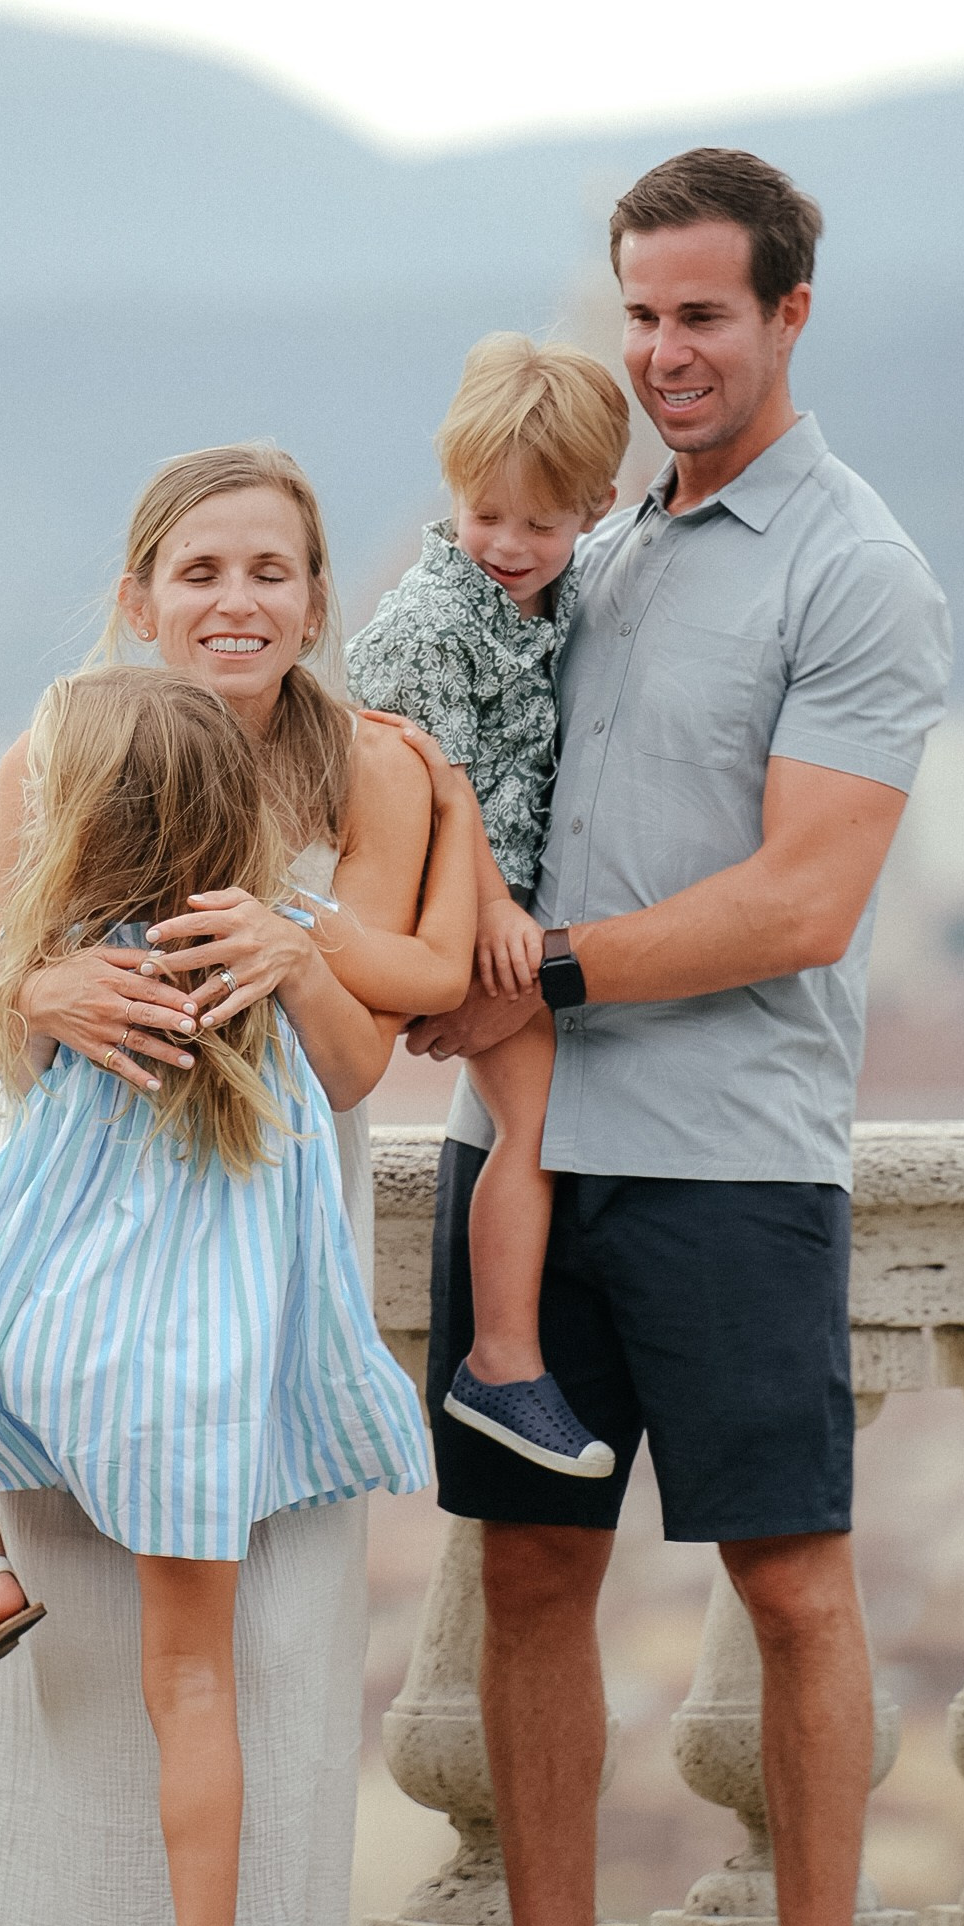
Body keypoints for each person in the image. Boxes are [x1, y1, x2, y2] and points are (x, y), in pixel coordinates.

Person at [393, 148, 951, 1926]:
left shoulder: (856, 569)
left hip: (730, 1162)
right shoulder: (588, 540)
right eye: (639, 313)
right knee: (527, 1576)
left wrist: (541, 966)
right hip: (529, 1155)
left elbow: (805, 899)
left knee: (792, 1589)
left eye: (701, 314)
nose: (662, 352)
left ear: (790, 310)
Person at [0, 445, 476, 1926]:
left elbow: (363, 1062)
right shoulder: (57, 748)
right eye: (201, 570)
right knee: (100, 1642)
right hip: (77, 1240)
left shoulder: (365, 768)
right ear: (140, 595)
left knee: (266, 1644)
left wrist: (296, 951)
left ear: (316, 601)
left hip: (266, 1258)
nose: (236, 601)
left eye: (270, 570)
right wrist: (44, 990)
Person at [347, 332, 630, 1476]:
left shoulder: (541, 601)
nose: (508, 545)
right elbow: (436, 787)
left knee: (543, 1121)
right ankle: (500, 1361)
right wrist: (497, 921)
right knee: (539, 1124)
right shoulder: (431, 624)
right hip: (443, 907)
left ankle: (507, 1357)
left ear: (594, 511)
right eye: (485, 516)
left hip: (475, 905)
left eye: (539, 524)